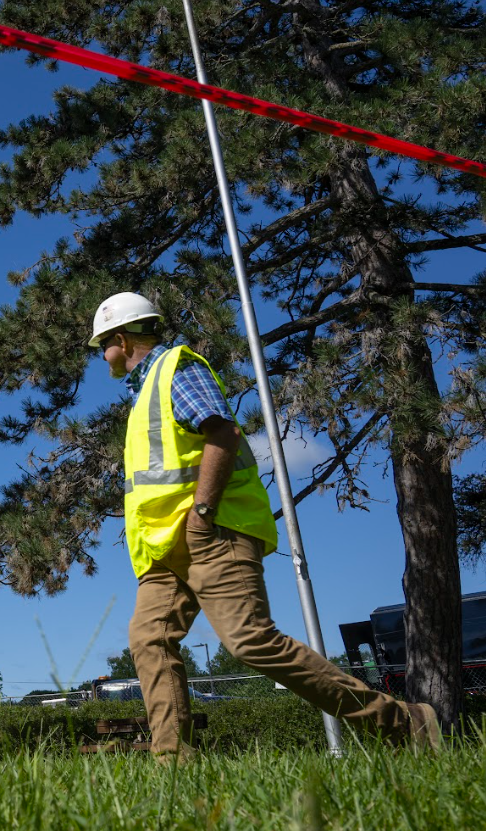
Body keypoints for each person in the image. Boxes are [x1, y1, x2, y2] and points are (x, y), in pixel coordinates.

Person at [89, 291, 440, 757]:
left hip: (211, 533)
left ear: (119, 337)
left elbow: (223, 433)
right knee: (148, 639)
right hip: (163, 550)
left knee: (250, 641)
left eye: (101, 346)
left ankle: (405, 723)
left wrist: (203, 513)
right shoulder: (141, 395)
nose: (102, 356)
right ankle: (173, 762)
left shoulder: (177, 368)